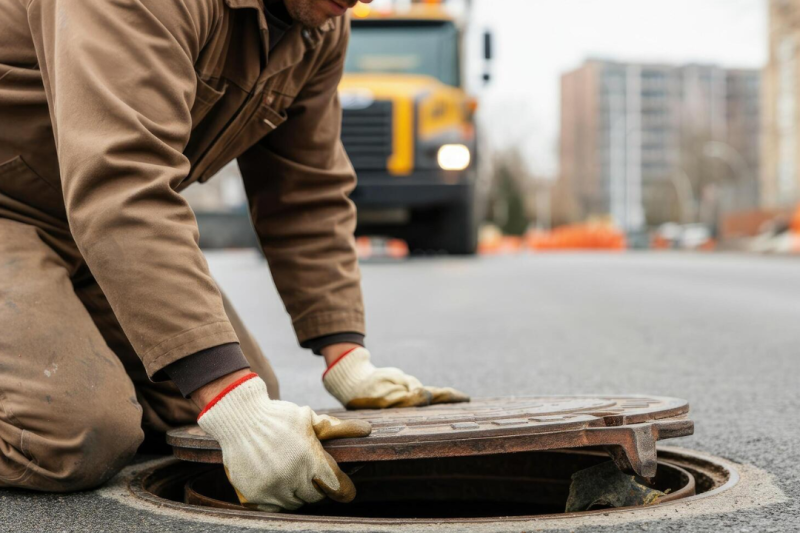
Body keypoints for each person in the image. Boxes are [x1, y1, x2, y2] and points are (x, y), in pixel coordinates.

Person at [0, 0, 468, 512]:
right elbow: (124, 178)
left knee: (221, 398)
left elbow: (304, 190)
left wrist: (346, 356)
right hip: (18, 211)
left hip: (82, 223)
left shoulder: (319, 24)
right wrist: (228, 400)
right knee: (67, 437)